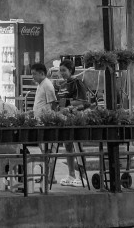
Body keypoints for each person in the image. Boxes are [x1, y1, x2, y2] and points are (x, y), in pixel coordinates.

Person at [57, 59, 89, 187]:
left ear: (71, 70)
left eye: (64, 70)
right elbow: (60, 102)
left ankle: (83, 177)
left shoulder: (77, 83)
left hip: (76, 119)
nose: (62, 73)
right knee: (68, 146)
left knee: (78, 147)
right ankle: (71, 175)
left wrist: (69, 105)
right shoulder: (62, 85)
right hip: (65, 119)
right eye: (61, 71)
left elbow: (83, 102)